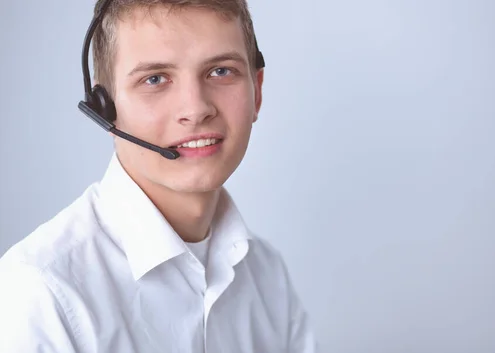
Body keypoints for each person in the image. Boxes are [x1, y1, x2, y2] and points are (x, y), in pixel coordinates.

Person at [0, 0, 317, 352]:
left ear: (257, 91)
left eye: (220, 71)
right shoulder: (42, 293)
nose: (195, 109)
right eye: (155, 79)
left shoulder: (266, 275)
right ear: (104, 109)